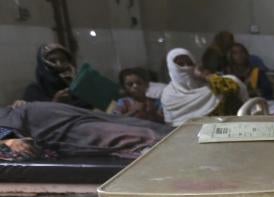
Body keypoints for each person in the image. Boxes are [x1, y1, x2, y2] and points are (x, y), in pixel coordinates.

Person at [1, 101, 169, 160]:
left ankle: (178, 133)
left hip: (39, 112)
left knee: (115, 120)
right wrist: (8, 141)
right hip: (45, 129)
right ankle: (176, 143)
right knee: (118, 133)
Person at [160, 48, 246, 125]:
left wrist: (205, 76)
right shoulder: (169, 94)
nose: (186, 67)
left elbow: (233, 88)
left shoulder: (211, 85)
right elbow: (170, 124)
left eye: (189, 63)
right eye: (180, 64)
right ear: (172, 68)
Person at [22, 43, 89, 108]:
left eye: (63, 60)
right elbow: (34, 115)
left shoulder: (77, 88)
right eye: (52, 60)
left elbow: (90, 106)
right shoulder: (34, 90)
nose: (59, 65)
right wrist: (55, 103)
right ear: (42, 64)